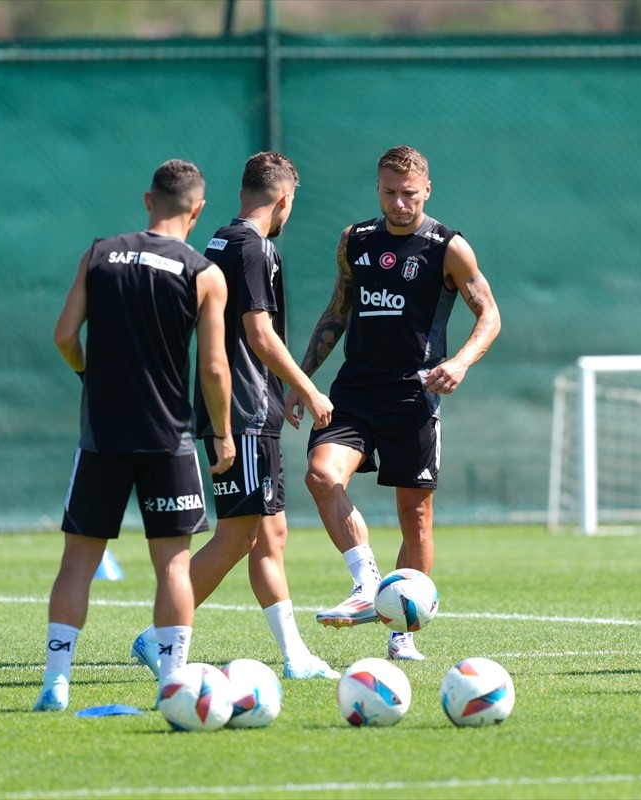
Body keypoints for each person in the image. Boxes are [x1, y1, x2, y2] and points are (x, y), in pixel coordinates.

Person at [34, 159, 234, 712]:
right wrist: (220, 433)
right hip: (168, 437)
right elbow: (214, 368)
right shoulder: (204, 272)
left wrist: (87, 373)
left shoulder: (100, 254)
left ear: (148, 200)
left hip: (102, 434)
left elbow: (64, 336)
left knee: (77, 561)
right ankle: (173, 682)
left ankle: (55, 682)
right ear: (198, 209)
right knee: (172, 563)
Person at [286, 145, 501, 661]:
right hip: (355, 392)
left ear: (426, 189)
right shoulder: (355, 241)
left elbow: (489, 314)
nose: (399, 202)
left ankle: (402, 632)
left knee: (416, 517)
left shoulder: (449, 247)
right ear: (377, 189)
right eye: (389, 192)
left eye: (409, 193)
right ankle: (366, 584)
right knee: (320, 476)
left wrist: (462, 362)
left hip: (414, 397)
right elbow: (337, 311)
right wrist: (300, 379)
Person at [128, 152, 337, 681]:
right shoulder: (253, 247)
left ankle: (295, 657)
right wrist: (308, 388)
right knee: (238, 535)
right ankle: (158, 636)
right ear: (284, 199)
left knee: (271, 535)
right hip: (242, 406)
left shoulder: (221, 238)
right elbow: (259, 332)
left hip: (250, 403)